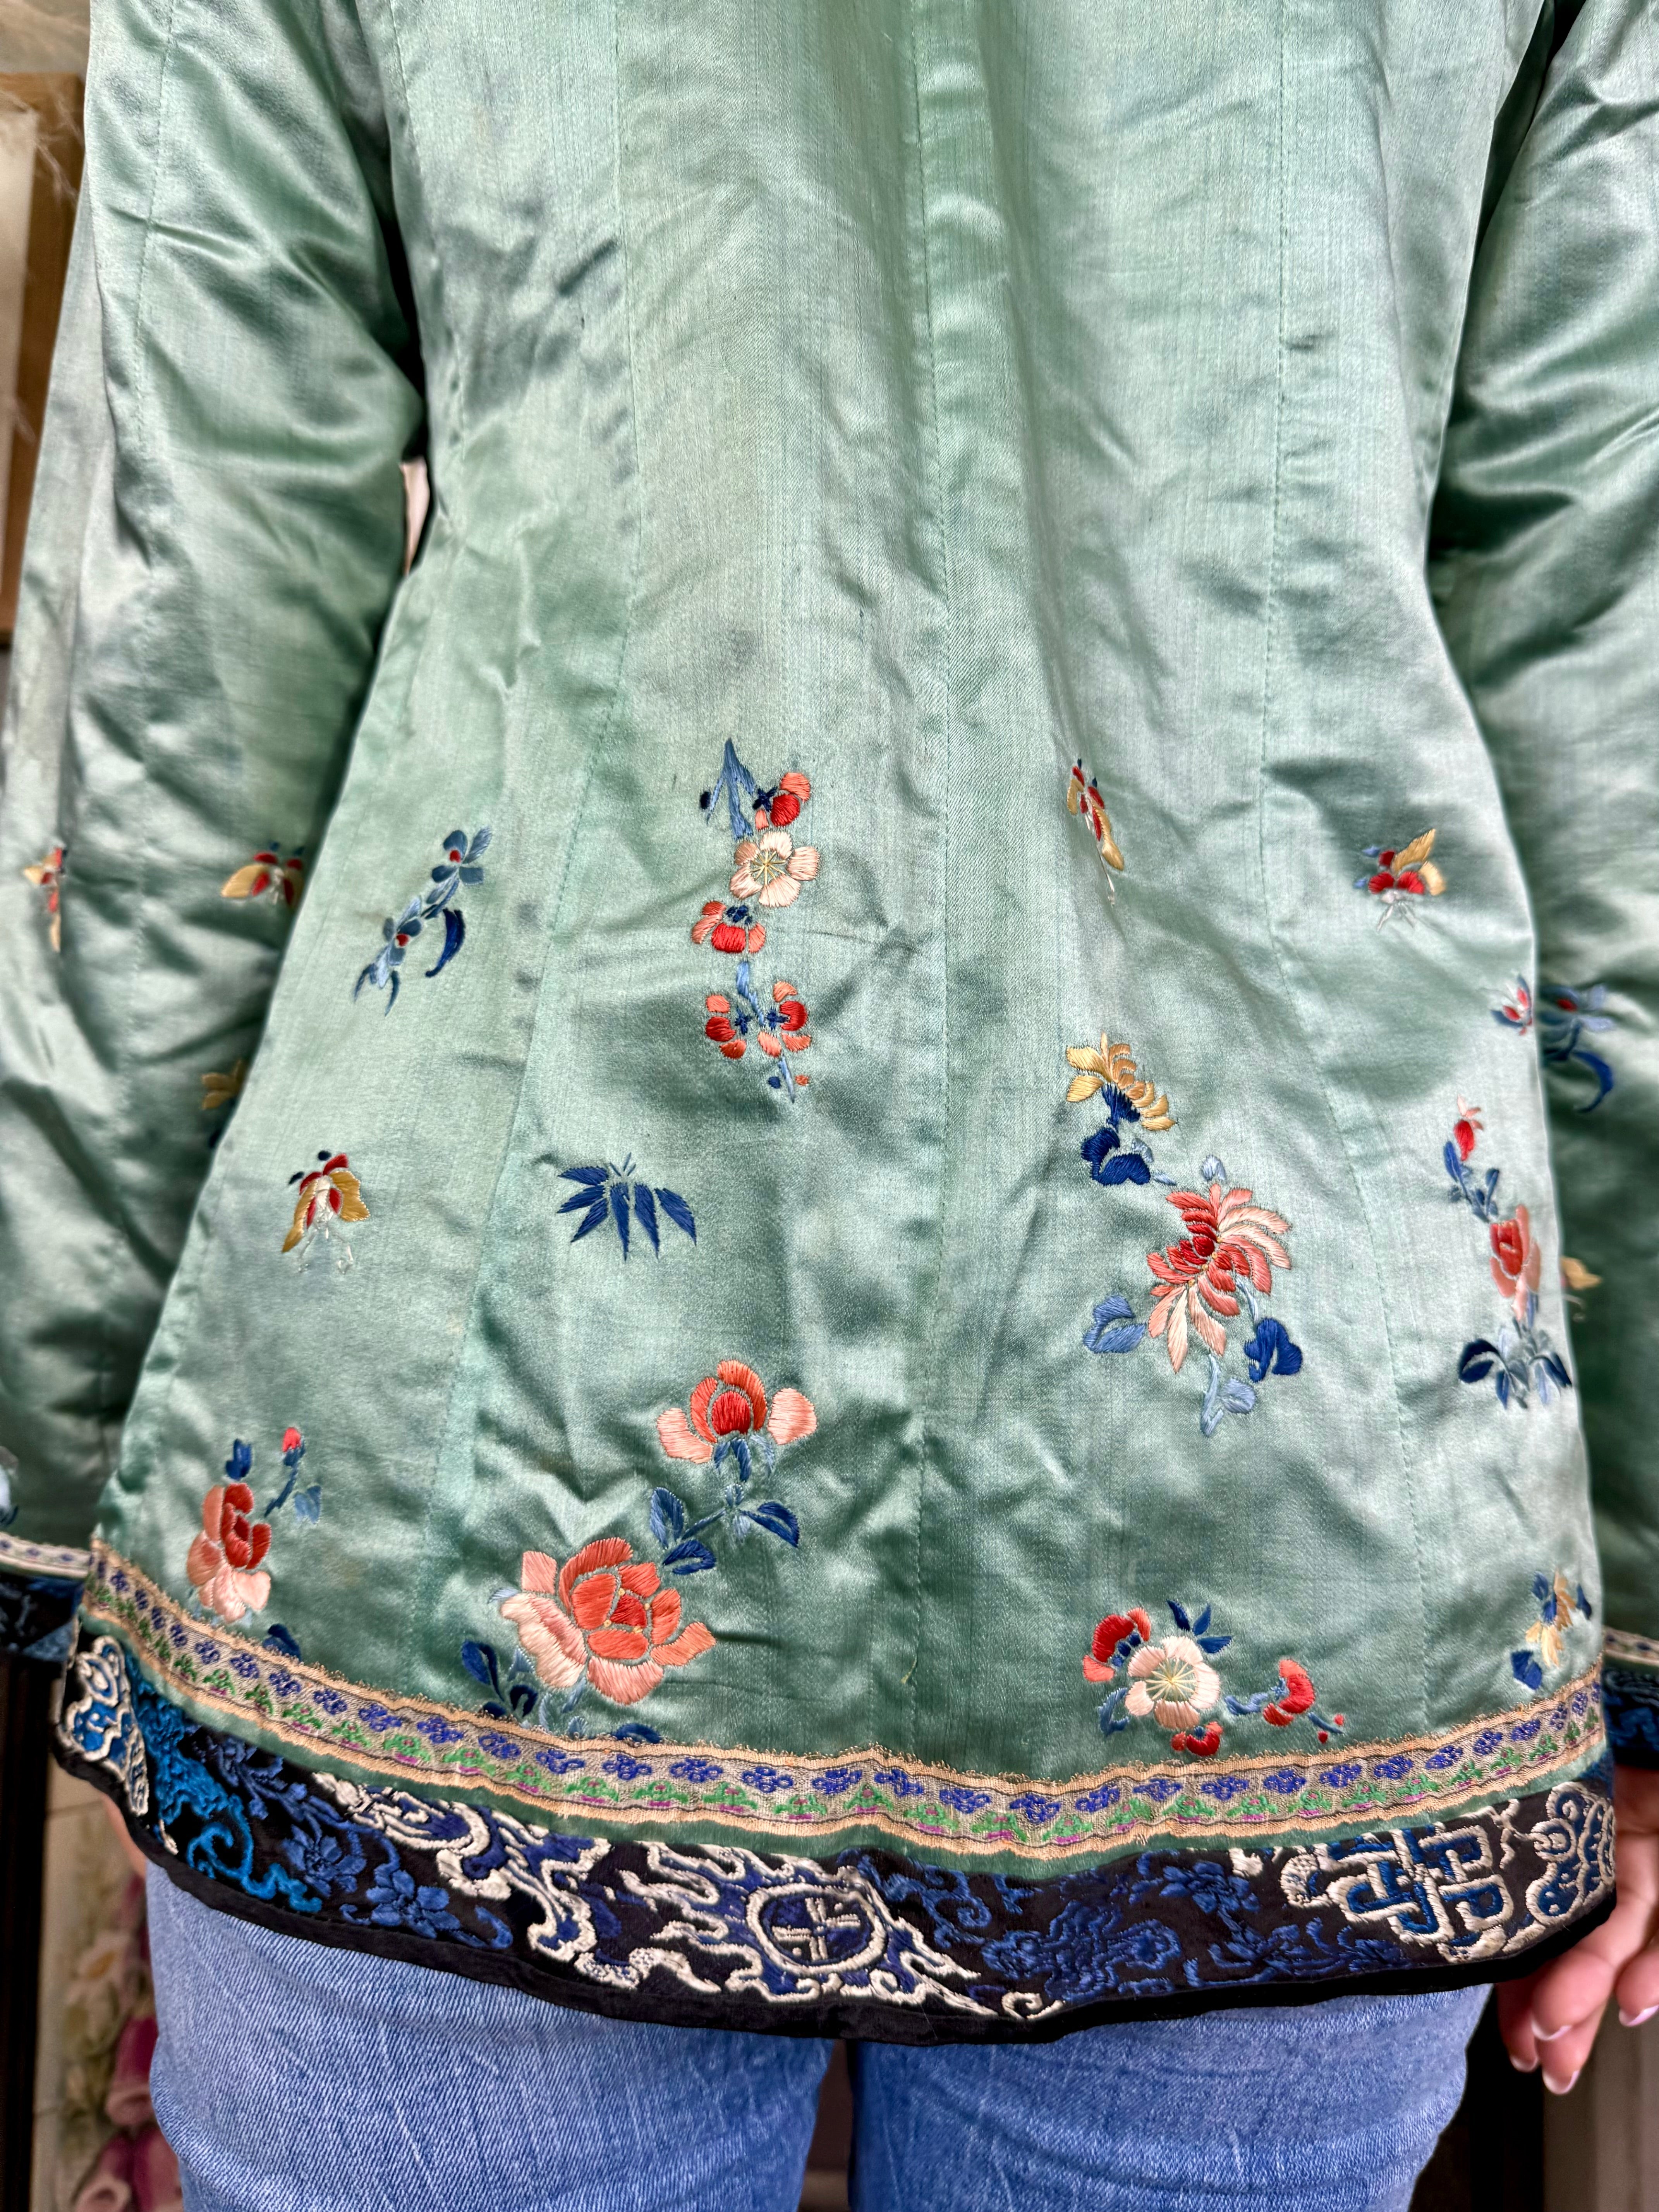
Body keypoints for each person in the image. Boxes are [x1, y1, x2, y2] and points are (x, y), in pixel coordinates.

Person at [1, 0, 1655, 2204]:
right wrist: (1650, 1620)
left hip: (455, 1508)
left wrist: (56, 1508)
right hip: (1308, 1512)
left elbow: (177, 687)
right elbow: (1615, 700)